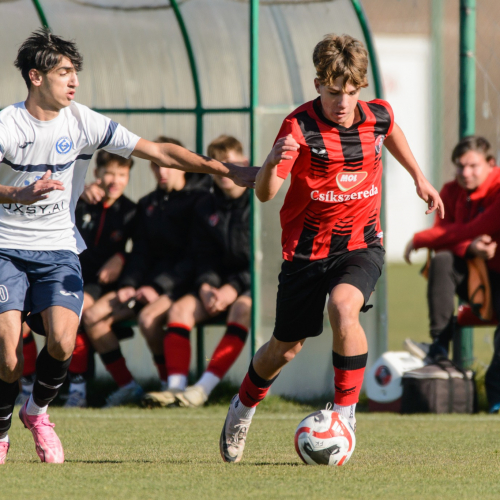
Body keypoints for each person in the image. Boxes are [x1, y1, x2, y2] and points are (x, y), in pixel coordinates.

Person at [0, 29, 256, 465]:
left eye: (75, 72)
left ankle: (37, 414)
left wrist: (223, 168)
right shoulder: (7, 124)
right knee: (7, 354)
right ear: (35, 77)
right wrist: (15, 195)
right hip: (6, 248)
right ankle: (1, 429)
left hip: (58, 249)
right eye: (64, 72)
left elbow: (158, 151)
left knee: (63, 341)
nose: (74, 81)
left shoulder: (82, 121)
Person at [218, 33, 444, 463]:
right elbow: (266, 194)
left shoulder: (376, 115)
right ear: (319, 83)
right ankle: (243, 407)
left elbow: (391, 130)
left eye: (351, 92)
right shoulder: (298, 127)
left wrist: (419, 176)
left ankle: (345, 415)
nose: (342, 101)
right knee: (285, 348)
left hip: (361, 244)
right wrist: (270, 163)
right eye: (333, 91)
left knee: (344, 308)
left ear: (361, 87)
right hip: (305, 253)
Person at [83, 137, 211, 408]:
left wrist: (160, 285)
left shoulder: (198, 201)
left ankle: (168, 386)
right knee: (92, 316)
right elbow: (140, 251)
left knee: (148, 318)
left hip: (182, 285)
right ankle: (129, 387)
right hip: (145, 285)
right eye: (156, 165)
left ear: (184, 166)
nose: (162, 171)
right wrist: (129, 283)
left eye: (168, 165)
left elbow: (195, 255)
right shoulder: (148, 203)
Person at [143, 135, 251, 409]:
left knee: (242, 309)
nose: (227, 171)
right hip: (215, 286)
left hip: (251, 286)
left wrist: (234, 287)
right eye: (220, 165)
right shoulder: (206, 206)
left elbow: (261, 260)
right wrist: (206, 286)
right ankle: (175, 389)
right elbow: (203, 255)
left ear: (246, 164)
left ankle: (202, 390)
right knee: (179, 311)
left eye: (233, 164)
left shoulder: (258, 203)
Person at [405, 136, 500, 412]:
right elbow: (451, 238)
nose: (465, 173)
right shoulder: (449, 191)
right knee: (443, 260)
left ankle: (494, 394)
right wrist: (469, 247)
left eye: (473, 166)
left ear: (491, 164)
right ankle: (437, 347)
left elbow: (477, 226)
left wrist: (421, 238)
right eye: (460, 166)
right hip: (477, 278)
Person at [65, 150, 137, 408]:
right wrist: (77, 189)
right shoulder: (79, 201)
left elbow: (142, 251)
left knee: (77, 313)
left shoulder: (130, 211)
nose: (114, 180)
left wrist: (122, 257)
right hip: (70, 278)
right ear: (96, 174)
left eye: (121, 174)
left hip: (105, 287)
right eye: (109, 173)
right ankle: (29, 387)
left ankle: (78, 390)